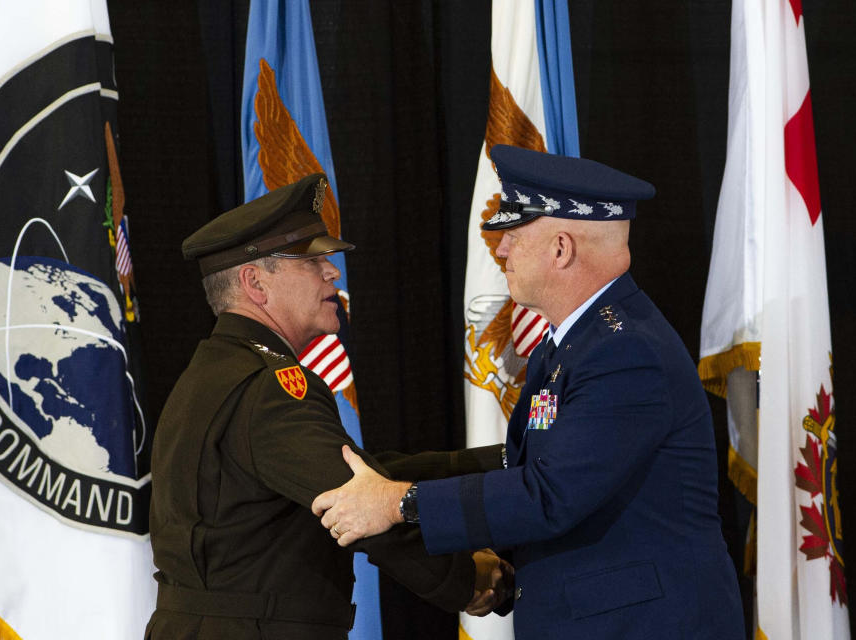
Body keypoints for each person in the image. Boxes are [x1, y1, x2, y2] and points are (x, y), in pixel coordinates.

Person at [312, 146, 746, 639]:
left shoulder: (626, 352)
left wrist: (399, 502)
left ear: (561, 249)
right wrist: (394, 473)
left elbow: (549, 493)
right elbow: (524, 463)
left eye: (512, 236)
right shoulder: (574, 343)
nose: (499, 251)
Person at [145, 173, 512, 640]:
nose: (332, 272)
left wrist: (497, 462)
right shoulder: (270, 387)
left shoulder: (211, 373)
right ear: (255, 282)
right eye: (311, 260)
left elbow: (364, 475)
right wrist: (468, 581)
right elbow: (354, 504)